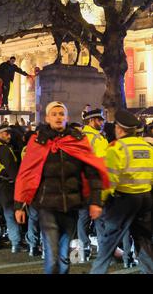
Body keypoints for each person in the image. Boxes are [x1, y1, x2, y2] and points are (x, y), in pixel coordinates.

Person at [14, 101, 109, 274]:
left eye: (61, 114)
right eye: (54, 114)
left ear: (66, 117)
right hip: (46, 206)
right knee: (52, 255)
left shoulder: (77, 140)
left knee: (64, 257)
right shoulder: (37, 141)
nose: (58, 117)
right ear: (47, 118)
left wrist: (96, 201)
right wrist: (19, 204)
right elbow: (26, 173)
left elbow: (92, 173)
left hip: (71, 206)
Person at [90, 109, 153, 274]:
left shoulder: (116, 147)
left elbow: (109, 180)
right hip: (146, 198)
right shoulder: (147, 146)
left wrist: (100, 201)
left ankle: (97, 271)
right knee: (144, 241)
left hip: (124, 200)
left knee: (108, 241)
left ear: (119, 129)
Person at [78, 108, 109, 261]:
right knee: (100, 218)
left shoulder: (80, 136)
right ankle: (103, 251)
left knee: (83, 218)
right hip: (96, 182)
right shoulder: (97, 138)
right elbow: (104, 162)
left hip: (82, 183)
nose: (102, 122)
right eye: (99, 119)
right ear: (91, 120)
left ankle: (83, 250)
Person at [0, 125, 21, 252]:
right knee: (9, 213)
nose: (9, 136)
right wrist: (17, 181)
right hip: (5, 184)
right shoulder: (3, 149)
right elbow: (11, 167)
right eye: (6, 134)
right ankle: (15, 243)